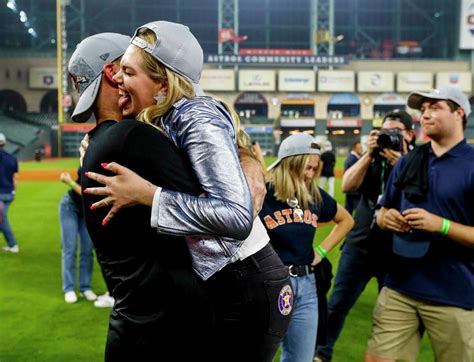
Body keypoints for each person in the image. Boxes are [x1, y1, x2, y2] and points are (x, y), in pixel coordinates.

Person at [83, 21, 292, 361]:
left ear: (162, 83)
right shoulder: (160, 117)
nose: (117, 79)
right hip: (227, 278)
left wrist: (150, 196)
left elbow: (236, 216)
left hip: (249, 279)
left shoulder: (194, 115)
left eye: (128, 72)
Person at [69, 32, 214, 360]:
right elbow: (215, 202)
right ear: (112, 72)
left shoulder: (99, 145)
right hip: (168, 334)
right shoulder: (132, 138)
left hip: (133, 329)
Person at [366, 87, 474, 362]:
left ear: (459, 113)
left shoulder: (471, 164)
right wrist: (385, 217)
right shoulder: (408, 161)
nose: (425, 114)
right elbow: (382, 209)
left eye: (435, 107)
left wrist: (442, 225)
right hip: (400, 284)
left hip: (456, 291)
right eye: (423, 109)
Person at [315, 109, 416, 362]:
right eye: (384, 132)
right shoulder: (369, 158)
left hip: (397, 248)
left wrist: (400, 162)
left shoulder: (416, 161)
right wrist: (369, 155)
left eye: (395, 132)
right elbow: (348, 185)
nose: (388, 137)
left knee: (393, 313)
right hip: (359, 245)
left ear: (410, 135)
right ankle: (320, 354)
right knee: (336, 304)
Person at [260, 133, 353, 362]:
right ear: (290, 163)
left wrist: (321, 251)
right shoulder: (261, 192)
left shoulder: (312, 194)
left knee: (301, 359)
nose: (310, 174)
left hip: (307, 287)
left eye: (314, 168)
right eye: (306, 168)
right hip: (269, 286)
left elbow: (347, 220)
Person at [58, 169, 97, 304]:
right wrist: (69, 182)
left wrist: (69, 182)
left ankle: (84, 287)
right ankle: (69, 288)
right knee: (70, 248)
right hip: (70, 206)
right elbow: (86, 193)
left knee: (87, 249)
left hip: (87, 211)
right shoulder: (89, 160)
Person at [0, 133, 19, 253]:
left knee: (2, 219)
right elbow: (15, 178)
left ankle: (13, 245)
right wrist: (13, 192)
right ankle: (12, 245)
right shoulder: (12, 158)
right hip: (9, 193)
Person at [343, 141, 363, 214]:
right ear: (354, 148)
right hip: (355, 190)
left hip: (350, 189)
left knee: (348, 210)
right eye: (360, 148)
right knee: (359, 211)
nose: (361, 149)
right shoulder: (353, 159)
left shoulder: (351, 158)